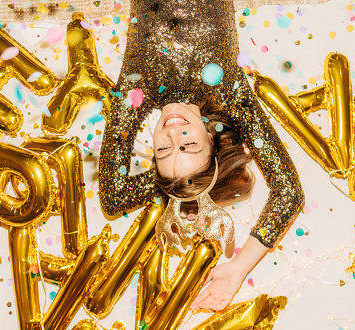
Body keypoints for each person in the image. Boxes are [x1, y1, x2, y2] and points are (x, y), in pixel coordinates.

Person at [99, 0, 304, 312]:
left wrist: (182, 187)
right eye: (189, 146)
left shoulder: (135, 90)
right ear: (212, 140)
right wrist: (238, 267)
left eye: (163, 151)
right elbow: (289, 194)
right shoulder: (228, 91)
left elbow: (113, 198)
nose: (172, 134)